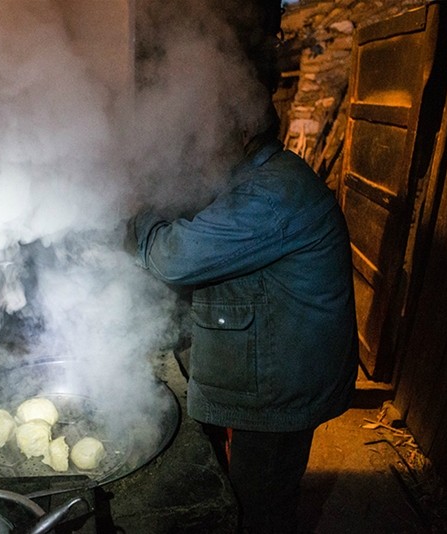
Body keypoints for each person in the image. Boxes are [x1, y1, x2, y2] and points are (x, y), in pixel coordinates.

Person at [127, 103, 359, 532]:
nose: (199, 147)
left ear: (246, 131)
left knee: (260, 504)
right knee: (256, 487)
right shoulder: (260, 175)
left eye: (210, 134)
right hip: (284, 355)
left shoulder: (272, 192)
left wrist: (138, 216)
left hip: (284, 379)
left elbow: (175, 258)